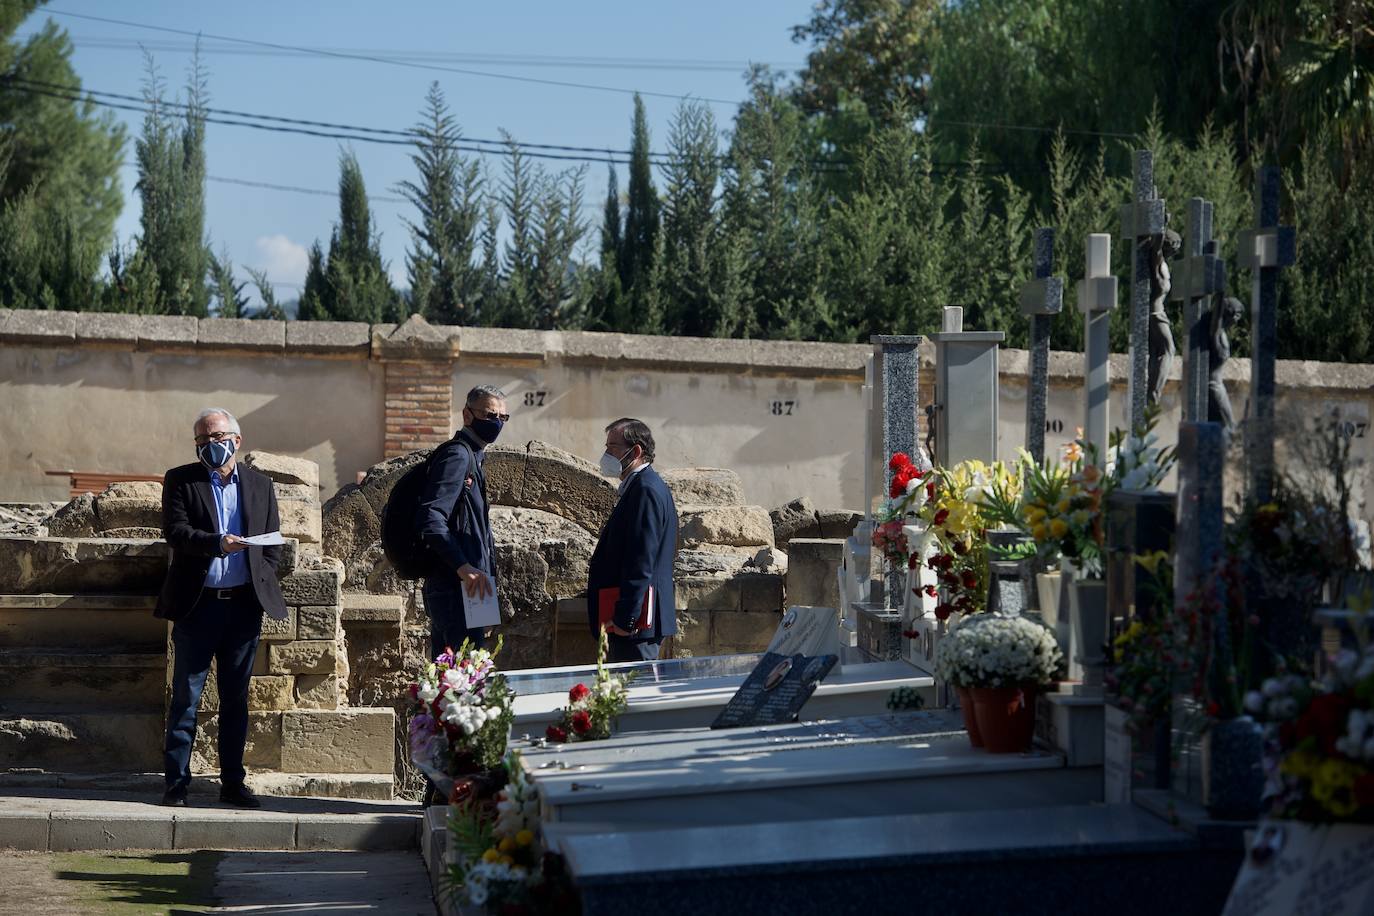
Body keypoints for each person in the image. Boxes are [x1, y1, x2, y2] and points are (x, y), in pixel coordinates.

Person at [158, 408, 287, 809]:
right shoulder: (181, 480)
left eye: (215, 437)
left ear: (236, 439)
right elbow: (176, 532)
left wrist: (262, 575)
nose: (209, 446)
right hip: (198, 607)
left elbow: (273, 543)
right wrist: (218, 543)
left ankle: (232, 784)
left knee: (236, 701)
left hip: (243, 609)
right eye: (201, 441)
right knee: (185, 700)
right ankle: (176, 786)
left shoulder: (260, 485)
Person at [416, 385, 506, 657]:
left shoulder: (476, 457)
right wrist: (462, 567)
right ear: (468, 415)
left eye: (503, 417)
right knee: (456, 681)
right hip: (455, 588)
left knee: (470, 671)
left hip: (474, 587)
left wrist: (485, 595)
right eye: (491, 415)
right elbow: (431, 518)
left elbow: (477, 532)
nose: (497, 423)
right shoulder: (458, 455)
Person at [587, 418, 679, 663]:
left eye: (612, 447)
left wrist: (625, 619)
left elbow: (642, 560)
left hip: (636, 625)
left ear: (635, 451)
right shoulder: (641, 486)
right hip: (633, 622)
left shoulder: (646, 489)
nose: (606, 454)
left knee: (633, 695)